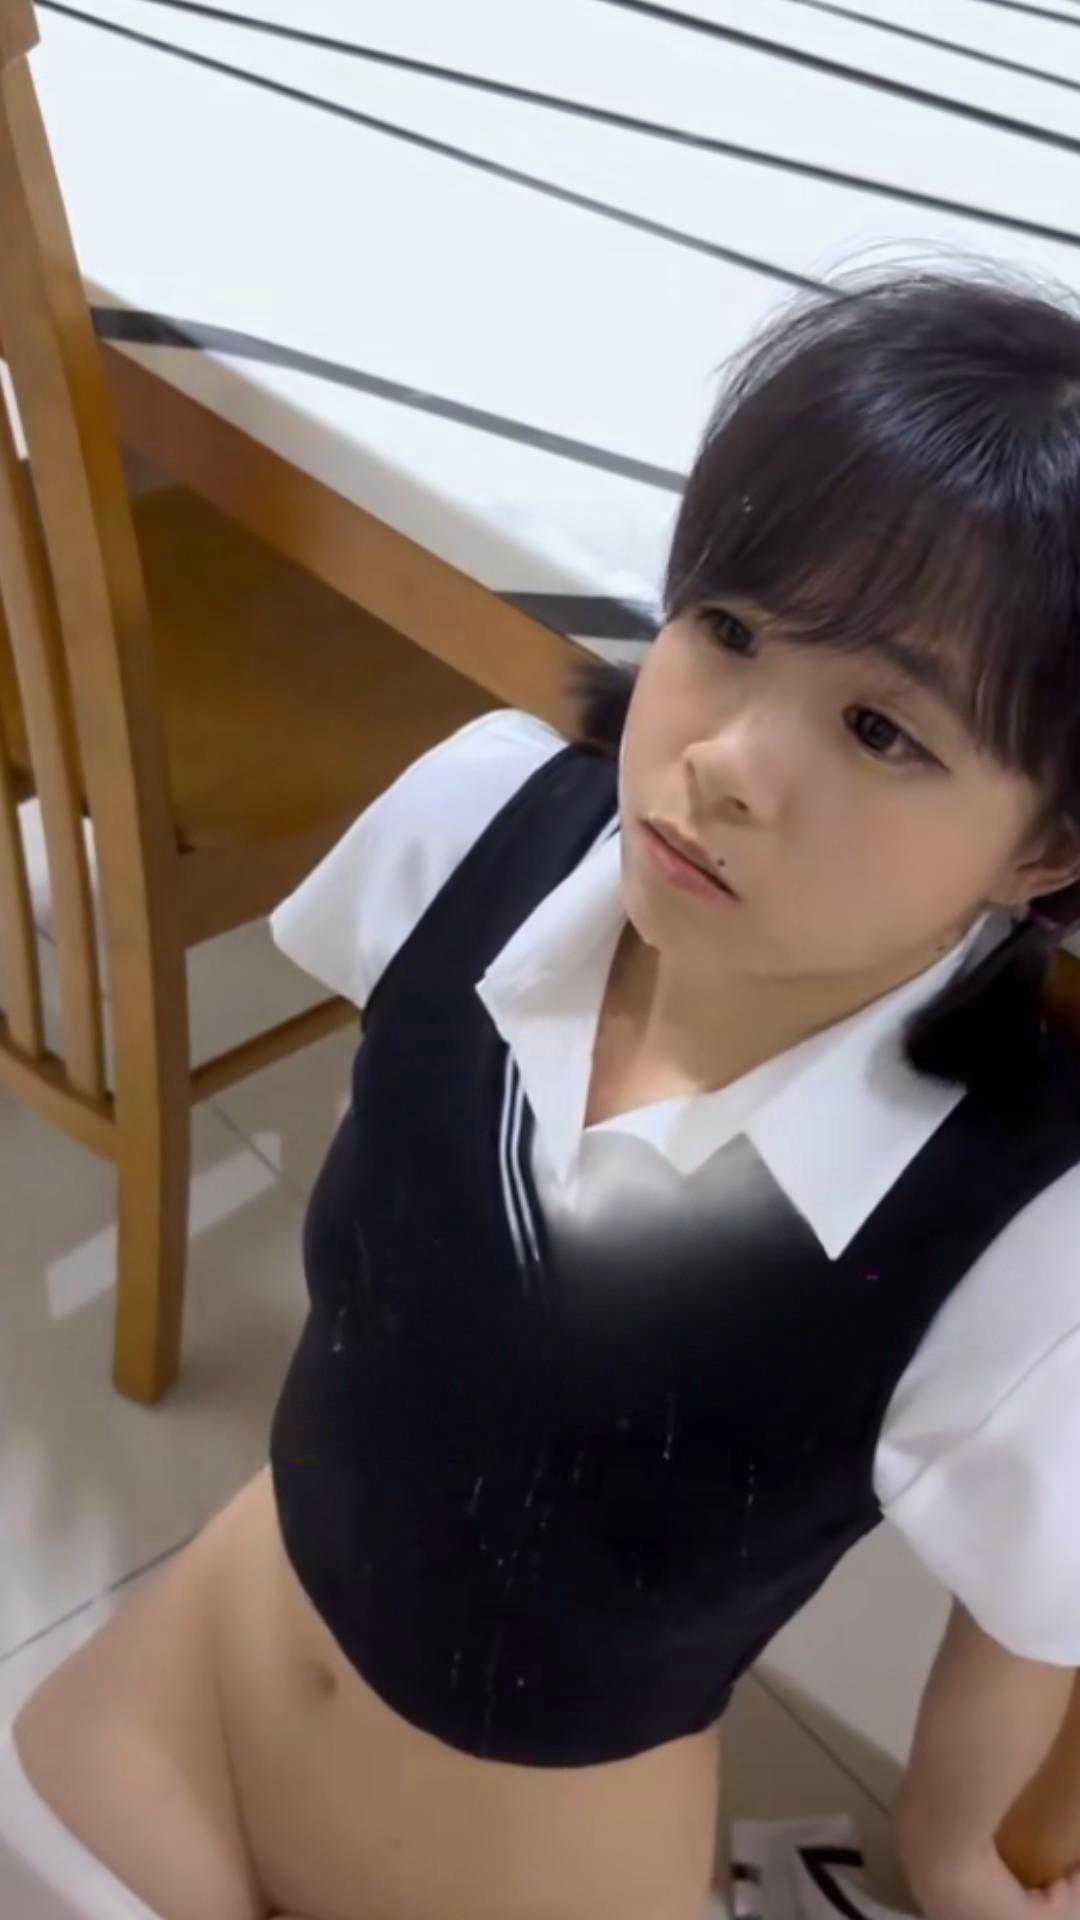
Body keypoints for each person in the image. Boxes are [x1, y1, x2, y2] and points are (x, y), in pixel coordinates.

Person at [7, 254, 1080, 1920]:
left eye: (883, 731)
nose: (727, 761)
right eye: (728, 629)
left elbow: (1030, 1612)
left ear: (1049, 848)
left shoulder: (1017, 1237)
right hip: (183, 1705)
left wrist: (959, 1856)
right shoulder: (472, 825)